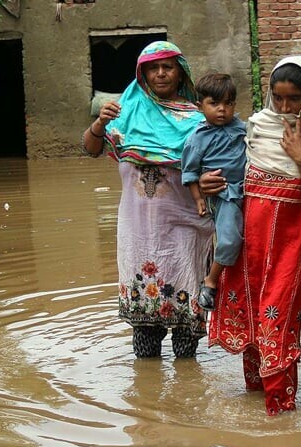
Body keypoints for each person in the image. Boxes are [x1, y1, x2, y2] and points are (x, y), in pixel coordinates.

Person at [199, 56, 301, 415]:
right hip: (246, 248)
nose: (285, 107)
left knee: (275, 329)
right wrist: (206, 184)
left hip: (289, 252)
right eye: (278, 97)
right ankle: (262, 426)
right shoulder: (256, 128)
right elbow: (231, 179)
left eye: (294, 98)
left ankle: (281, 418)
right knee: (252, 330)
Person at [82, 41, 214, 359]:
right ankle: (148, 399)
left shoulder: (199, 120)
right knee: (145, 340)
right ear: (142, 74)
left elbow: (218, 168)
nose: (160, 73)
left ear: (181, 72)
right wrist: (100, 124)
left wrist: (210, 181)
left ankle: (187, 393)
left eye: (167, 66)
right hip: (138, 233)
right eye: (153, 68)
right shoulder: (125, 115)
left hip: (185, 227)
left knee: (186, 334)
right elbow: (90, 149)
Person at [180, 73, 246, 311]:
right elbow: (188, 173)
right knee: (229, 240)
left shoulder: (242, 128)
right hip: (224, 194)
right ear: (200, 106)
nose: (222, 110)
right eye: (214, 104)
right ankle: (211, 280)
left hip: (248, 192)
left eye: (228, 104)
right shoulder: (198, 138)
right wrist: (199, 200)